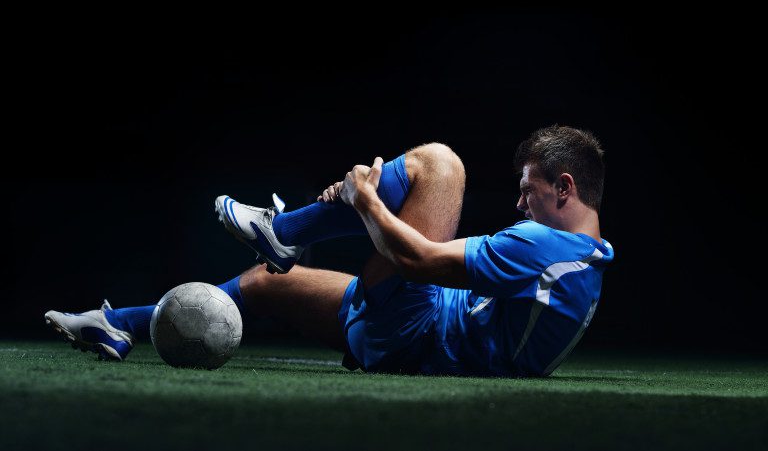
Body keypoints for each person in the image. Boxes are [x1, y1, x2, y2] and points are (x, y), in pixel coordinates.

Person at [45, 125, 613, 377]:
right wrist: (360, 203)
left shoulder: (546, 249)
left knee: (441, 164)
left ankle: (287, 229)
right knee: (269, 280)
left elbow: (415, 258)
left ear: (564, 187)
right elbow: (428, 254)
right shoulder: (583, 261)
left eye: (528, 188)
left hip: (417, 335)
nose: (518, 202)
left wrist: (365, 200)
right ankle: (115, 325)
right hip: (423, 330)